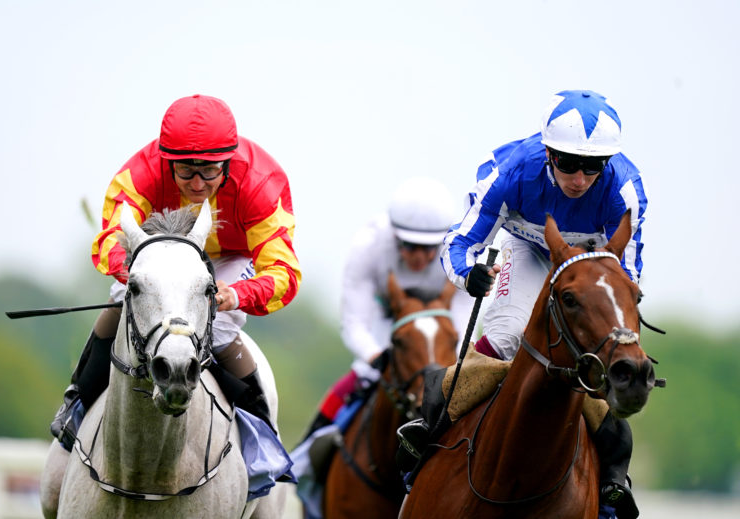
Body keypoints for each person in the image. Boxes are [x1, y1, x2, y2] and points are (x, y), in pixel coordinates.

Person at [402, 90, 648, 519]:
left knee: (596, 355)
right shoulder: (510, 172)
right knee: (507, 336)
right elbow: (459, 243)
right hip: (528, 250)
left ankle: (612, 482)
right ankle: (431, 430)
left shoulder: (624, 190)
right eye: (568, 163)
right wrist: (470, 274)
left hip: (592, 263)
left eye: (593, 166)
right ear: (548, 152)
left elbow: (626, 274)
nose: (579, 179)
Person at [50, 94, 302, 451]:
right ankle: (77, 402)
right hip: (165, 248)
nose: (197, 184)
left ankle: (263, 442)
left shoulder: (262, 182)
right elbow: (109, 241)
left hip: (232, 257)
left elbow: (283, 272)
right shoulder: (140, 173)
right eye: (185, 171)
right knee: (124, 296)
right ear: (166, 161)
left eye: (209, 171)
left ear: (228, 162)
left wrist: (237, 294)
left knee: (219, 323)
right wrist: (142, 276)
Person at [301, 176, 476, 438]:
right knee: (362, 374)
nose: (420, 257)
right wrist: (375, 356)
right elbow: (354, 323)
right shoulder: (368, 246)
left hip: (439, 332)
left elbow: (462, 324)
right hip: (387, 325)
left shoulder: (460, 250)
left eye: (429, 248)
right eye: (410, 246)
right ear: (395, 235)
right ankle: (308, 447)